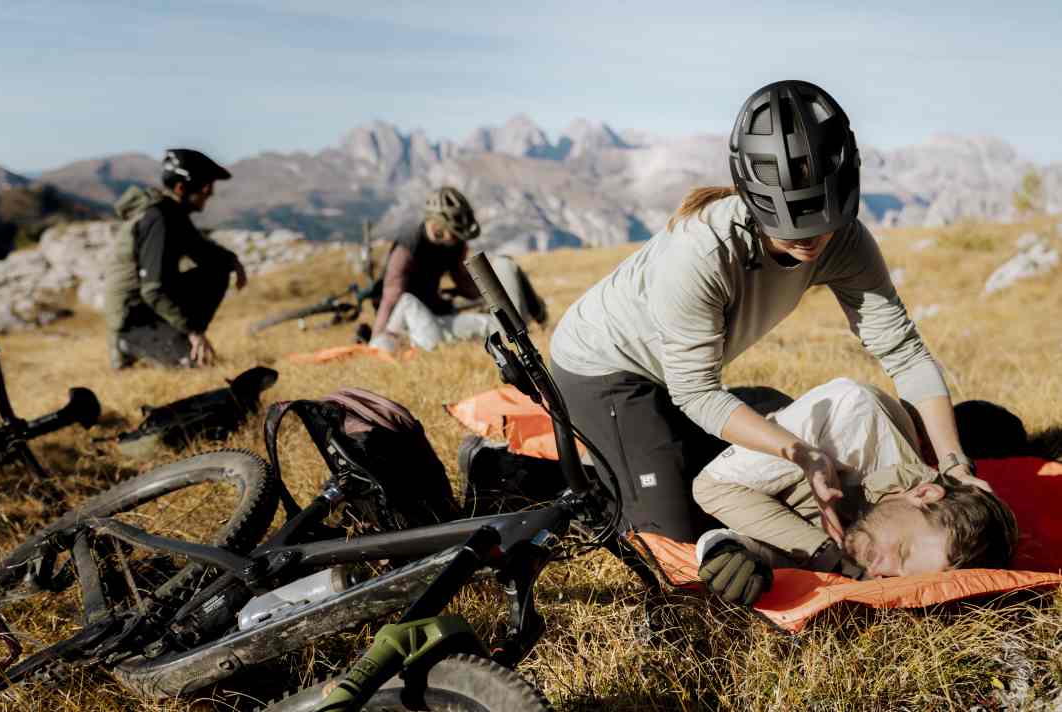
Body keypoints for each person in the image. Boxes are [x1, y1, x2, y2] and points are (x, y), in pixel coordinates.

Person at [549, 79, 986, 546]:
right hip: (605, 370)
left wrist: (955, 463)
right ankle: (530, 474)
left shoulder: (848, 243)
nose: (808, 239)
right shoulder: (702, 251)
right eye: (787, 226)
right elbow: (696, 392)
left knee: (746, 480)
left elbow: (903, 352)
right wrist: (802, 454)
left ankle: (650, 454)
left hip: (680, 377)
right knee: (670, 539)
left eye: (820, 219)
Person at [691, 378, 1018, 604]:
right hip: (713, 427)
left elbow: (774, 545)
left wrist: (726, 550)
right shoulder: (856, 417)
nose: (877, 572)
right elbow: (712, 487)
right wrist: (825, 554)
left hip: (764, 476)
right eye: (901, 553)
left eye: (894, 575)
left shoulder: (879, 537)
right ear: (925, 494)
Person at [105, 149, 247, 369]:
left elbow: (202, 250)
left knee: (218, 268)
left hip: (145, 307)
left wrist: (232, 261)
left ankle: (175, 336)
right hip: (133, 318)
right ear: (181, 188)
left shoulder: (172, 214)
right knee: (198, 367)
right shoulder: (160, 220)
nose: (209, 192)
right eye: (205, 186)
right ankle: (128, 346)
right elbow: (153, 290)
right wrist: (194, 331)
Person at [368, 186, 547, 353]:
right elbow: (392, 295)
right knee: (488, 326)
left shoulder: (454, 244)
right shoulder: (409, 243)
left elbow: (463, 282)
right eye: (455, 232)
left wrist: (491, 298)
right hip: (407, 318)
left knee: (505, 269)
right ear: (437, 226)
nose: (459, 238)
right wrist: (376, 339)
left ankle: (534, 316)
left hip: (435, 312)